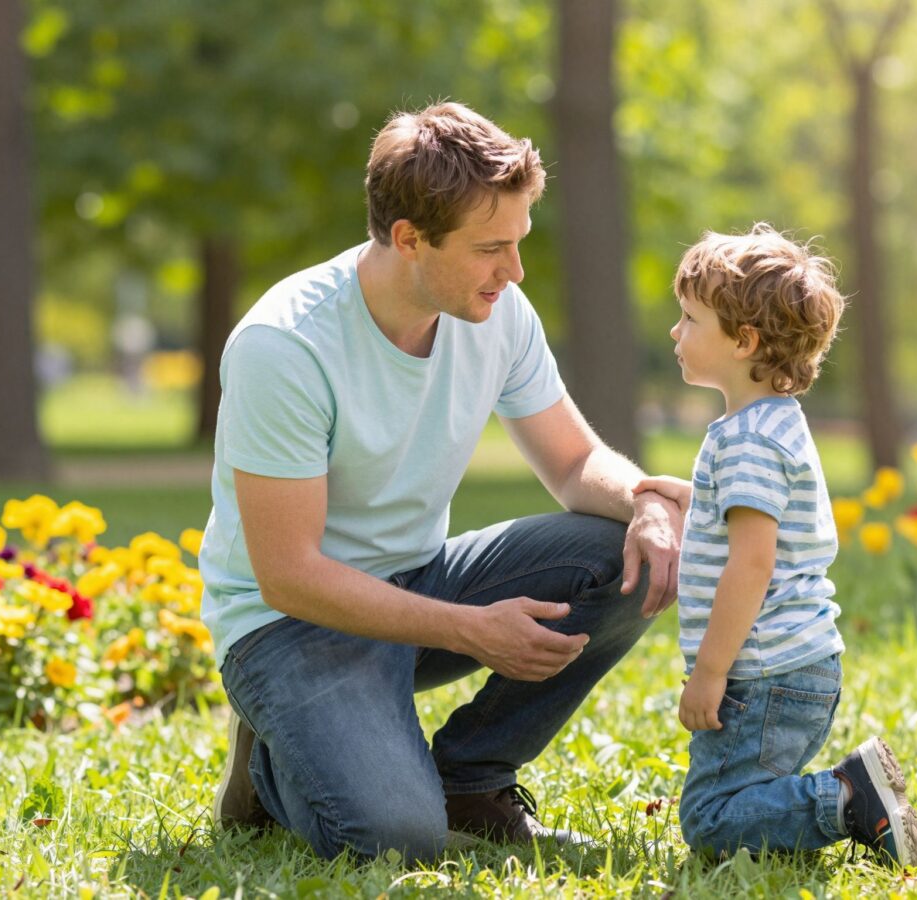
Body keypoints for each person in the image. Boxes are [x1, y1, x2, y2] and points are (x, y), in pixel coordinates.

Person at [197, 102, 684, 863]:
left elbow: (571, 462)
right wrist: (467, 629)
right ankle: (267, 765)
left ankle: (469, 779)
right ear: (408, 239)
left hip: (419, 578)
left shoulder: (498, 312)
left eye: (518, 243)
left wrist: (646, 501)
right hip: (287, 627)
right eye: (492, 248)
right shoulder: (284, 347)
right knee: (395, 839)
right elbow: (287, 576)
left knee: (622, 552)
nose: (514, 271)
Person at [634, 224, 917, 867]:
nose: (675, 333)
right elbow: (762, 519)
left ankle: (846, 799)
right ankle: (848, 794)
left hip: (761, 677)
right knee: (734, 805)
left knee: (710, 823)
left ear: (744, 340)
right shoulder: (772, 423)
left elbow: (754, 561)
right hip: (799, 668)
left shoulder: (745, 441)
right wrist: (699, 498)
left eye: (689, 319)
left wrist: (710, 671)